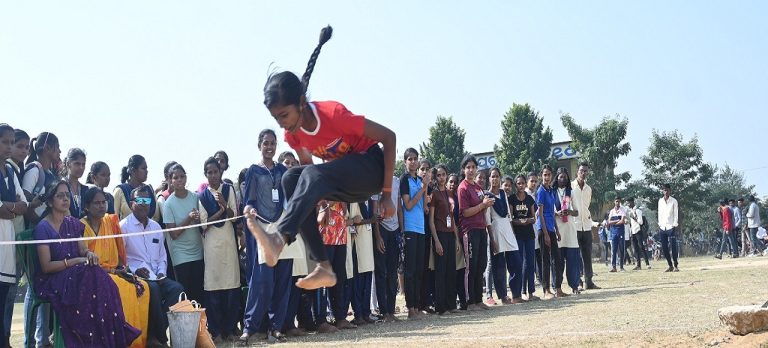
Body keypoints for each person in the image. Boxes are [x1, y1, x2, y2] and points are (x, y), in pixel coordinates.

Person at [243, 26, 397, 292]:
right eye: (276, 118)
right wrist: (317, 201)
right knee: (291, 177)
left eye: (284, 116)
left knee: (309, 175)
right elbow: (308, 173)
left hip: (371, 168)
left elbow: (389, 137)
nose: (282, 124)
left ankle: (279, 238)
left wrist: (386, 194)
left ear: (301, 103)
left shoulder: (334, 114)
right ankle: (323, 265)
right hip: (344, 182)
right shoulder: (294, 136)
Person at [33, 180, 140, 347]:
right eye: (60, 196)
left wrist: (89, 254)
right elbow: (46, 267)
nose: (65, 199)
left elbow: (83, 250)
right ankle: (95, 339)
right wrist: (75, 261)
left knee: (96, 273)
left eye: (67, 195)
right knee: (91, 275)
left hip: (76, 274)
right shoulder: (43, 228)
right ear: (50, 201)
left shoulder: (72, 223)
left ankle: (108, 337)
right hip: (52, 280)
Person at [240, 129, 303, 343]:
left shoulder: (281, 170)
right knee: (262, 280)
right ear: (259, 146)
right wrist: (249, 209)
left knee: (283, 279)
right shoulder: (253, 171)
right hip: (263, 229)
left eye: (273, 143)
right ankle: (250, 327)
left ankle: (276, 328)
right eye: (266, 143)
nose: (269, 147)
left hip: (281, 228)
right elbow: (249, 200)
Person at [81, 187, 150, 348]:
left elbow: (120, 255)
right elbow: (85, 261)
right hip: (93, 274)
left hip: (114, 271)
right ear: (87, 207)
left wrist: (121, 269)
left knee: (143, 287)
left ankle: (139, 341)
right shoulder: (81, 226)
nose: (101, 206)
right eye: (96, 203)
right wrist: (112, 271)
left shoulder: (110, 222)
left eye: (103, 202)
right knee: (122, 287)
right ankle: (121, 341)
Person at [121, 185, 184, 348]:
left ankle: (153, 335)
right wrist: (134, 271)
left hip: (157, 275)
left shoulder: (156, 227)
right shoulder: (123, 227)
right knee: (153, 290)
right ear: (131, 203)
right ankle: (161, 340)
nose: (143, 204)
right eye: (139, 200)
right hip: (135, 277)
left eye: (147, 200)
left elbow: (162, 256)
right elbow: (121, 259)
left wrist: (162, 272)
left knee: (177, 289)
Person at [21, 131, 60, 348]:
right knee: (34, 290)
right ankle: (31, 340)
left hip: (44, 236)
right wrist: (40, 226)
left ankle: (42, 339)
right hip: (34, 236)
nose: (59, 152)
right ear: (47, 148)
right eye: (57, 147)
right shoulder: (35, 169)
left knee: (44, 286)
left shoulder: (48, 172)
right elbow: (26, 205)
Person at [198, 157, 241, 343]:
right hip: (212, 246)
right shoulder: (201, 197)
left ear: (220, 172)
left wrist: (225, 204)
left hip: (228, 244)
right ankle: (215, 331)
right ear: (205, 174)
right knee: (213, 286)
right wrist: (221, 209)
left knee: (231, 284)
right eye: (209, 172)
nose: (213, 175)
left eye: (216, 171)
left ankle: (230, 328)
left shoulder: (228, 189)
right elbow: (204, 224)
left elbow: (234, 217)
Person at [0, 124, 28, 348]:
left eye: (11, 142)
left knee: (5, 295)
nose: (8, 147)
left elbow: (24, 204)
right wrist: (11, 208)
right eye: (5, 142)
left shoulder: (10, 171)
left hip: (7, 239)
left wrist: (7, 208)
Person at [162, 164, 204, 302]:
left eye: (182, 176)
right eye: (175, 177)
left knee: (199, 292)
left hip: (198, 251)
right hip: (181, 255)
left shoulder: (195, 197)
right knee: (185, 294)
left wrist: (198, 219)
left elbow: (202, 225)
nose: (179, 180)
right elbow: (173, 234)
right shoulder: (168, 204)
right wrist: (189, 218)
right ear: (170, 180)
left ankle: (202, 323)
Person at [458, 155, 494, 309]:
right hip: (469, 230)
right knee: (470, 266)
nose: (471, 170)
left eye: (473, 167)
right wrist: (482, 205)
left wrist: (487, 204)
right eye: (468, 167)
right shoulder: (463, 188)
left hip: (481, 229)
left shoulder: (478, 188)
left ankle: (479, 299)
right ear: (464, 169)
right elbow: (464, 212)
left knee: (481, 265)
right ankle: (469, 300)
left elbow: (483, 206)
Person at [399, 148, 429, 319]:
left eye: (415, 159)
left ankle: (417, 307)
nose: (413, 161)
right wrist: (422, 189)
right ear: (405, 162)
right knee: (410, 271)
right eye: (409, 159)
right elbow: (408, 205)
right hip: (409, 228)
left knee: (419, 270)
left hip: (421, 228)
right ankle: (410, 308)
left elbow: (423, 207)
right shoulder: (404, 179)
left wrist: (425, 188)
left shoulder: (419, 180)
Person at [486, 168, 523, 303]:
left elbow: (508, 215)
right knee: (499, 267)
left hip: (508, 230)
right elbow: (487, 220)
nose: (495, 179)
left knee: (517, 263)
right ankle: (503, 296)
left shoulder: (503, 194)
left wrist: (512, 232)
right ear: (489, 178)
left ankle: (516, 295)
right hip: (495, 231)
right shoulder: (487, 196)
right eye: (492, 176)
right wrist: (492, 240)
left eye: (497, 176)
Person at [429, 164, 460, 314]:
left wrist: (457, 239)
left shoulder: (450, 193)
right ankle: (441, 307)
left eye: (443, 174)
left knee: (451, 271)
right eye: (439, 175)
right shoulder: (434, 194)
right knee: (440, 272)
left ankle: (451, 305)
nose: (442, 177)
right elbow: (431, 221)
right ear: (435, 177)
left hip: (450, 235)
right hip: (440, 234)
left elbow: (452, 217)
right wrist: (436, 241)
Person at [374, 173, 402, 322]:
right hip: (381, 229)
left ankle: (391, 311)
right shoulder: (376, 179)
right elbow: (374, 210)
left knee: (392, 272)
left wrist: (401, 230)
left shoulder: (396, 181)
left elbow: (398, 208)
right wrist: (378, 237)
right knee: (381, 272)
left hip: (395, 230)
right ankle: (384, 312)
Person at [537, 165, 565, 299]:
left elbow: (552, 213)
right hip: (543, 229)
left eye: (549, 175)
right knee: (545, 260)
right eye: (544, 175)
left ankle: (558, 289)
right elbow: (540, 214)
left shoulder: (550, 191)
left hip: (551, 228)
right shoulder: (541, 191)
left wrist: (557, 230)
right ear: (541, 176)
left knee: (557, 259)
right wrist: (546, 233)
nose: (547, 177)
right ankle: (546, 290)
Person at [571, 162, 599, 290]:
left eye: (586, 171)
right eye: (581, 170)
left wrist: (591, 225)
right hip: (575, 225)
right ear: (577, 171)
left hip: (586, 226)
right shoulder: (570, 187)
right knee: (576, 256)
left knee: (587, 255)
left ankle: (589, 281)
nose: (583, 173)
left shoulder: (589, 189)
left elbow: (586, 208)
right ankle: (579, 282)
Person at [554, 167, 581, 294]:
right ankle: (557, 287)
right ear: (557, 177)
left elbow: (577, 212)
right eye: (560, 176)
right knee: (558, 262)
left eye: (565, 176)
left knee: (572, 261)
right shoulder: (551, 192)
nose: (562, 178)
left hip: (570, 230)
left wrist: (569, 211)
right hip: (557, 230)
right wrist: (557, 213)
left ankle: (575, 286)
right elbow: (547, 211)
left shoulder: (572, 192)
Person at [510, 174, 537, 301]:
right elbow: (511, 218)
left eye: (522, 183)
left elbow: (534, 218)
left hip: (529, 234)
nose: (521, 185)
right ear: (516, 185)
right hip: (518, 235)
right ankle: (520, 292)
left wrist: (527, 221)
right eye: (518, 183)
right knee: (519, 263)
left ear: (525, 184)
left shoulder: (530, 199)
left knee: (530, 263)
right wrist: (519, 222)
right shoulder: (512, 199)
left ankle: (531, 292)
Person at [114, 155, 161, 221]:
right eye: (143, 168)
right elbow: (114, 219)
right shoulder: (120, 191)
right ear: (133, 170)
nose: (146, 171)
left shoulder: (150, 190)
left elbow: (156, 217)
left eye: (146, 169)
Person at [524, 172, 543, 299]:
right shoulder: (524, 195)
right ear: (527, 182)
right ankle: (523, 292)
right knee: (525, 263)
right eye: (532, 181)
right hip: (524, 233)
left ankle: (531, 292)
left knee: (531, 263)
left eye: (536, 181)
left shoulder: (534, 195)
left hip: (534, 232)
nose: (534, 183)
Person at [657, 184, 679, 272]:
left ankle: (676, 265)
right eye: (664, 190)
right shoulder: (660, 201)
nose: (666, 192)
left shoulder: (674, 201)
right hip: (663, 227)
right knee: (664, 247)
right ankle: (670, 265)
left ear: (670, 191)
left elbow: (676, 214)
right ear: (662, 191)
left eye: (667, 190)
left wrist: (674, 225)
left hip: (671, 226)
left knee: (673, 247)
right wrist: (659, 224)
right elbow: (659, 213)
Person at [627, 198, 651, 270]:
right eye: (627, 203)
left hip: (638, 231)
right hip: (633, 232)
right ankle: (638, 265)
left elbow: (640, 222)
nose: (628, 204)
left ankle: (647, 264)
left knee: (641, 247)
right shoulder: (630, 211)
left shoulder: (638, 211)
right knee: (636, 249)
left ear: (632, 202)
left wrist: (633, 217)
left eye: (629, 203)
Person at [608, 196, 627, 272]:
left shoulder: (623, 210)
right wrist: (617, 221)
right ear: (614, 202)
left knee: (622, 250)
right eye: (616, 201)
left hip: (620, 232)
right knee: (614, 250)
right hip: (613, 233)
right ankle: (614, 267)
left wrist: (614, 223)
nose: (617, 203)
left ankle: (622, 267)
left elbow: (622, 221)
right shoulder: (612, 211)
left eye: (619, 201)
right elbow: (609, 222)